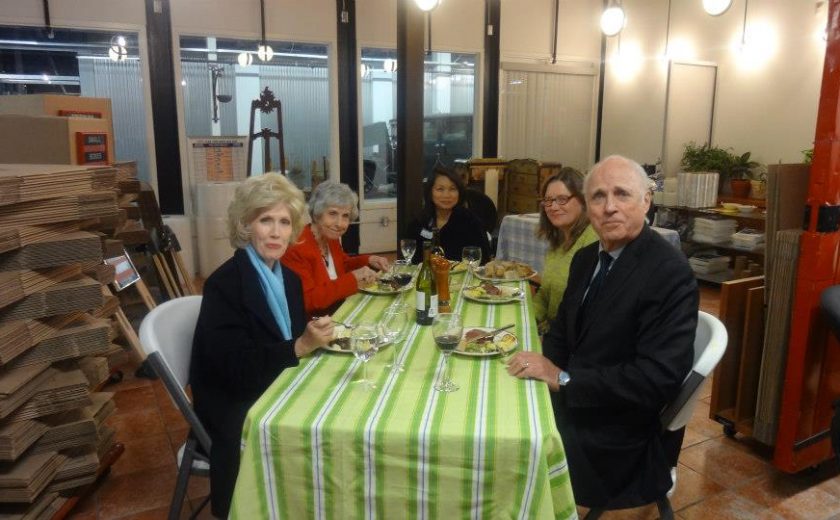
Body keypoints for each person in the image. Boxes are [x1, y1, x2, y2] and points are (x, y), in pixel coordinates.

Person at [507, 155, 698, 510]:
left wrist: (563, 379)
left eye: (622, 194)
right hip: (580, 401)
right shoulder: (587, 258)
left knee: (507, 447)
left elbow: (657, 379)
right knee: (502, 398)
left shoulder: (669, 274)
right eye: (598, 196)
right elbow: (563, 330)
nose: (609, 207)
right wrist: (544, 367)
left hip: (618, 433)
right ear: (587, 207)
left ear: (646, 201)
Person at [190, 173, 334, 517]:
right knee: (323, 423)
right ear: (245, 225)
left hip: (270, 380)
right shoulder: (224, 284)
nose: (275, 232)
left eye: (284, 222)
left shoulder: (289, 279)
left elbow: (291, 338)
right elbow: (236, 370)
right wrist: (299, 346)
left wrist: (311, 337)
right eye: (265, 220)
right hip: (231, 402)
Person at [281, 181, 390, 317]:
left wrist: (369, 260)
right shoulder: (297, 247)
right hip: (316, 324)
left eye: (345, 216)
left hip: (341, 310)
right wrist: (352, 279)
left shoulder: (330, 238)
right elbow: (308, 301)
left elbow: (342, 264)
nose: (340, 224)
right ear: (317, 214)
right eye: (332, 213)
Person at [533, 167, 599, 333]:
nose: (553, 207)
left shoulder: (593, 241)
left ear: (583, 199)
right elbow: (545, 295)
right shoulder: (558, 241)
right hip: (550, 332)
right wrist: (526, 320)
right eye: (548, 200)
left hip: (570, 340)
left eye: (562, 199)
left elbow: (586, 311)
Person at [406, 167, 492, 264]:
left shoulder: (471, 222)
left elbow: (484, 260)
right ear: (430, 192)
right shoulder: (418, 222)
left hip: (462, 277)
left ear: (459, 192)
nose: (446, 195)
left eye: (452, 189)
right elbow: (410, 259)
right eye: (440, 189)